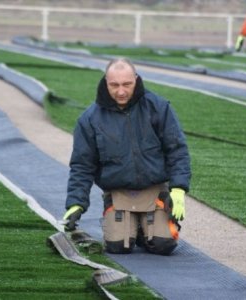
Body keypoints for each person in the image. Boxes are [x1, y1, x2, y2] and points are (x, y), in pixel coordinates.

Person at [63, 58, 191, 255]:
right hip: (118, 192)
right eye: (114, 85)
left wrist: (178, 189)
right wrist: (75, 203)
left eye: (127, 84)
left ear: (136, 80)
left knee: (163, 245)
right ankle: (125, 222)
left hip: (155, 191)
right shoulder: (89, 119)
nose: (121, 91)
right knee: (117, 247)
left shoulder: (158, 107)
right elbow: (82, 165)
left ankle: (146, 229)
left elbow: (177, 149)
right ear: (106, 82)